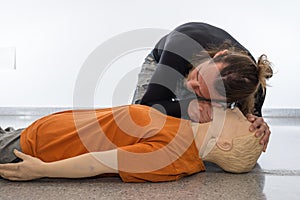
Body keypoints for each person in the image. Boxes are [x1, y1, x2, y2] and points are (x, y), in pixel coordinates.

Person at [0, 105, 263, 182]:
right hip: (36, 133)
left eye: (241, 121)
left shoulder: (169, 154)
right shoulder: (186, 133)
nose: (243, 114)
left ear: (225, 144)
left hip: (30, 147)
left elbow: (98, 163)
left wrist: (41, 170)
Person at [132, 22, 273, 152]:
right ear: (220, 55)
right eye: (199, 76)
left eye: (200, 90)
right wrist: (187, 107)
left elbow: (251, 126)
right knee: (139, 126)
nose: (190, 85)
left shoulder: (251, 83)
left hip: (205, 76)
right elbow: (147, 107)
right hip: (167, 60)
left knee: (206, 121)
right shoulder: (179, 48)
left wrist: (256, 125)